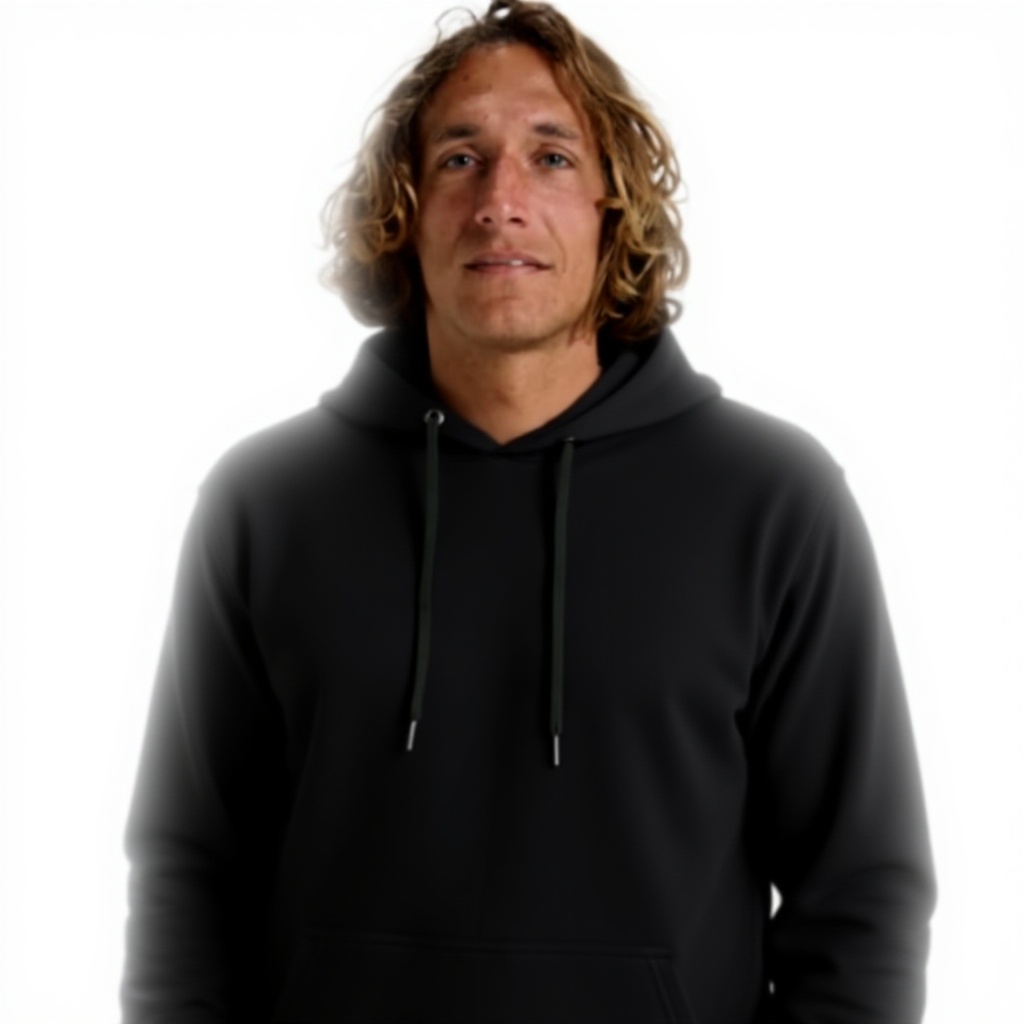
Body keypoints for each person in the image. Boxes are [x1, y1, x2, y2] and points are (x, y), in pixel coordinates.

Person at [119, 1, 938, 1021]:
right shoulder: (266, 502)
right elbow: (190, 874)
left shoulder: (774, 500)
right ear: (404, 211)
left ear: (612, 209)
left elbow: (859, 894)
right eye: (460, 159)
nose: (500, 201)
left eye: (551, 158)